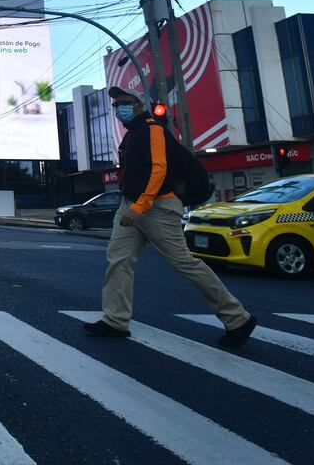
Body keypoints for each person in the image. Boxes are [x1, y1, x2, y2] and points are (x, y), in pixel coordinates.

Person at [83, 86, 257, 348]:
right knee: (118, 260)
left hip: (157, 208)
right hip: (131, 205)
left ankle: (237, 318)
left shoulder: (153, 130)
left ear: (141, 106)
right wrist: (131, 204)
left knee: (185, 263)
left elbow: (159, 171)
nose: (120, 108)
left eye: (125, 103)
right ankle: (116, 320)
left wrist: (139, 206)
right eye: (116, 105)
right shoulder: (132, 135)